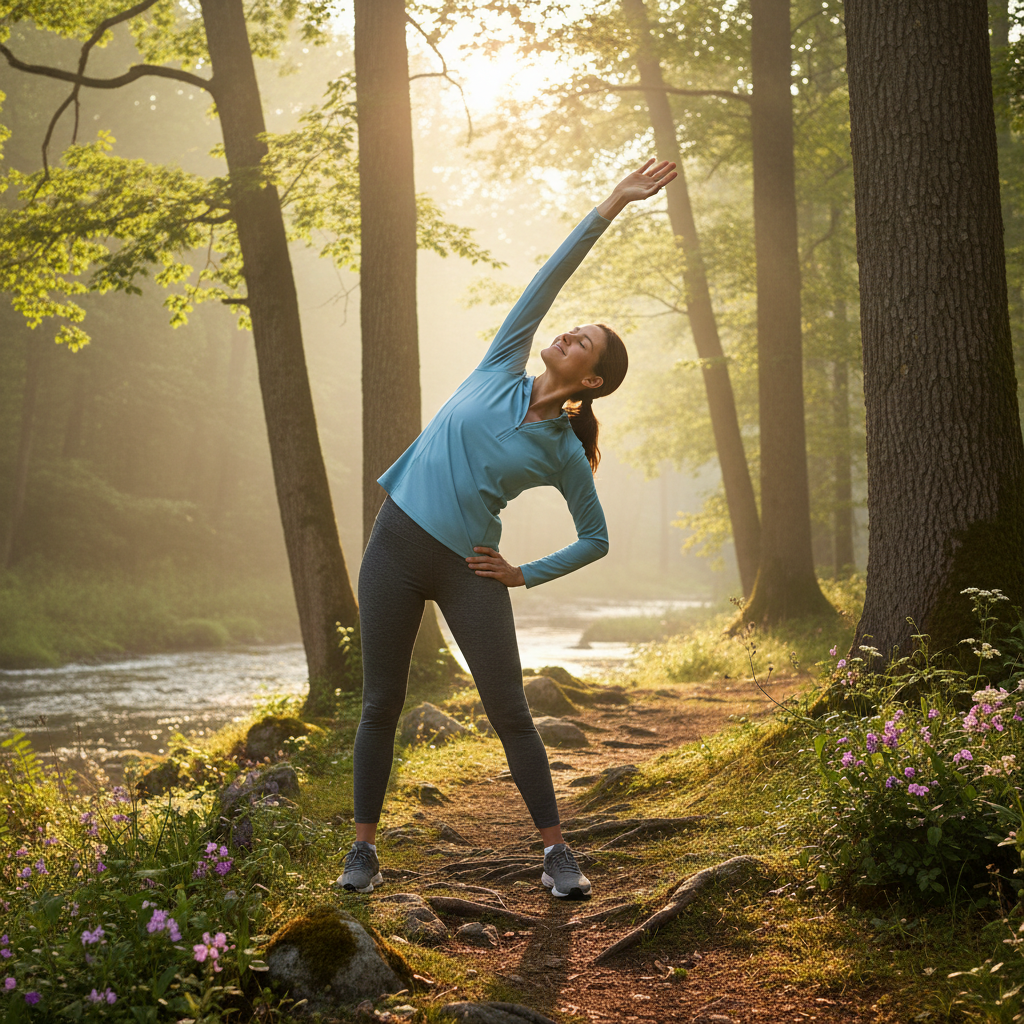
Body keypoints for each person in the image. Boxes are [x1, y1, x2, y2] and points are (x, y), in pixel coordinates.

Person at [338, 158, 677, 899]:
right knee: (380, 704)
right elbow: (548, 278)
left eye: (583, 341)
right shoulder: (500, 366)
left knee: (512, 714)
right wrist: (613, 201)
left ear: (591, 380)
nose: (567, 334)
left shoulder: (563, 450)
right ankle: (363, 851)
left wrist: (522, 573)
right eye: (573, 330)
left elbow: (597, 538)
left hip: (468, 569)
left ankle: (556, 853)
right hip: (393, 545)